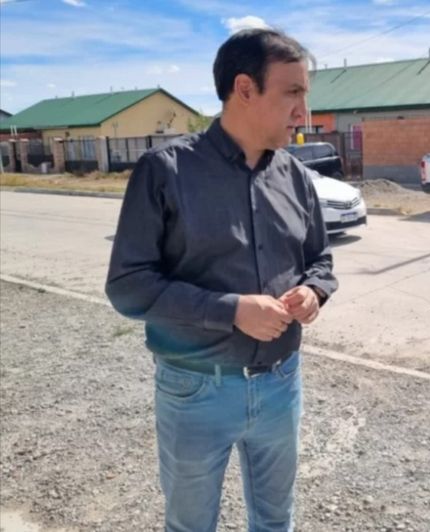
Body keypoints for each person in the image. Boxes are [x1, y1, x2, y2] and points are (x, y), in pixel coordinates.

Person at [105, 28, 337, 532]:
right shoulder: (165, 172)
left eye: (305, 95)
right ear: (245, 88)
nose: (304, 111)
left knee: (276, 521)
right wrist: (232, 310)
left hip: (281, 384)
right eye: (292, 93)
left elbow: (320, 258)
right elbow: (127, 286)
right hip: (195, 389)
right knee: (191, 524)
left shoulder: (295, 176)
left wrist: (313, 291)